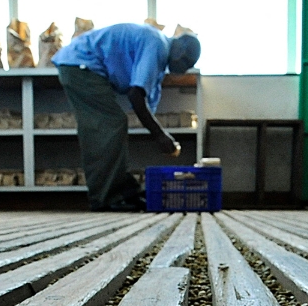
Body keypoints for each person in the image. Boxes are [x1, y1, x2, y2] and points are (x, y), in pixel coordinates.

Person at [52, 23, 201, 211]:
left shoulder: (158, 47)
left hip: (80, 65)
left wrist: (157, 132)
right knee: (109, 124)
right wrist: (160, 135)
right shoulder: (157, 46)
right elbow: (136, 96)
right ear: (178, 49)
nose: (182, 68)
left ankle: (123, 191)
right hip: (79, 64)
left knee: (108, 125)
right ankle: (106, 198)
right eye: (184, 62)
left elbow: (142, 97)